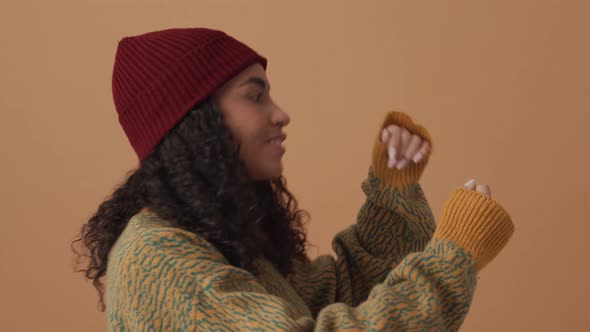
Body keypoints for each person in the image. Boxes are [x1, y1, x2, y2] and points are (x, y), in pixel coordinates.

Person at [72, 27, 514, 331]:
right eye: (255, 95)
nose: (281, 114)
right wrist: (452, 258)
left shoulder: (212, 246)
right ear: (196, 121)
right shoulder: (162, 259)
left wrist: (392, 188)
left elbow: (339, 296)